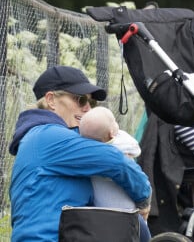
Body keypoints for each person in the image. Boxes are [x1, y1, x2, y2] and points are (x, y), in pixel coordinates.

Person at [9, 65, 152, 242]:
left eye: (91, 103)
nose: (87, 109)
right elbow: (116, 162)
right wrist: (144, 198)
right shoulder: (49, 136)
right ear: (51, 100)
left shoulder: (39, 138)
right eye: (80, 99)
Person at [80, 106, 151, 242]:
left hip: (100, 215)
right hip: (128, 214)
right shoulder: (122, 146)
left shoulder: (85, 152)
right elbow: (135, 152)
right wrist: (144, 203)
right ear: (112, 133)